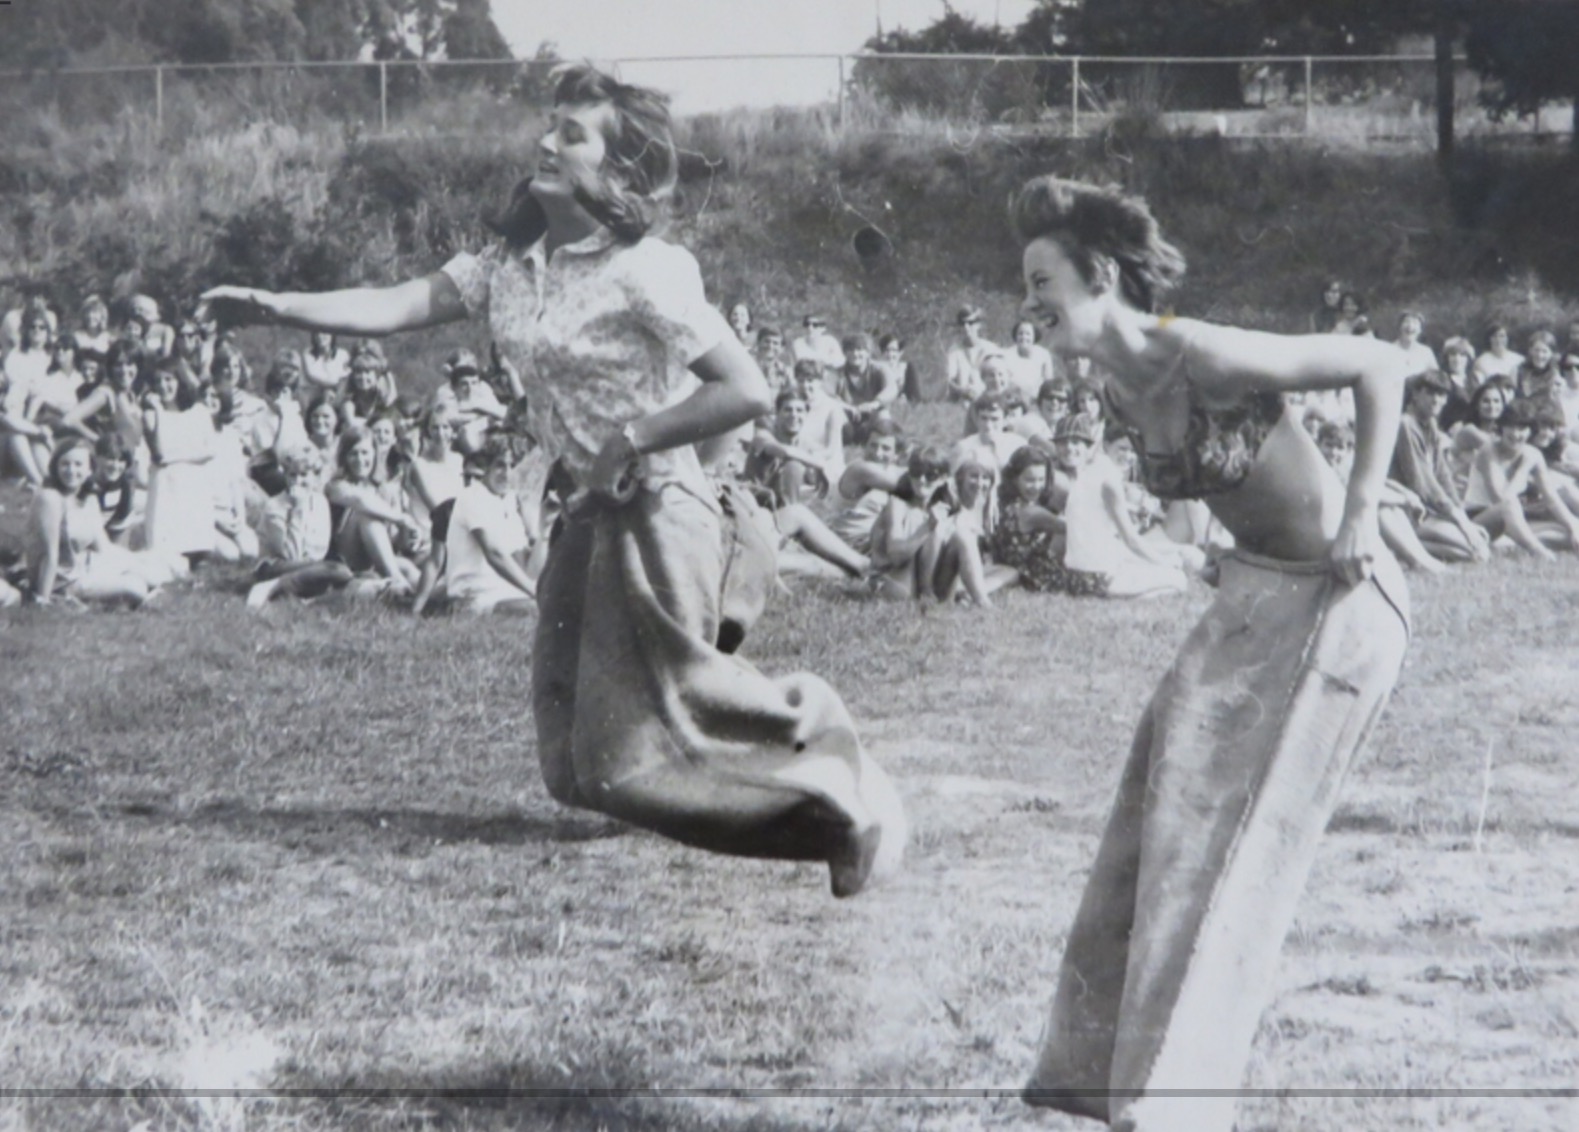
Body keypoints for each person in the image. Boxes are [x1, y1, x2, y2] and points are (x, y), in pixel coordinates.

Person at [202, 61, 904, 898]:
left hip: (656, 508)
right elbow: (394, 304)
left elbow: (745, 391)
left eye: (571, 133)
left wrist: (630, 440)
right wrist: (276, 304)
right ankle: (829, 802)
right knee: (573, 765)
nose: (544, 139)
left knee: (659, 733)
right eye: (549, 123)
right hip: (588, 515)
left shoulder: (646, 267)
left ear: (616, 170)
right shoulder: (510, 263)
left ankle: (827, 759)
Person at [1011, 177, 1412, 1132]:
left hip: (1338, 600)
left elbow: (1377, 364)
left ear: (1099, 274)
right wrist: (1198, 547)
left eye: (1040, 282)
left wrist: (1361, 509)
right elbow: (1199, 495)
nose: (1027, 306)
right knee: (1152, 815)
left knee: (1226, 851)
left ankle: (1172, 1105)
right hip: (1254, 595)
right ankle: (1097, 1077)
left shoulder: (1199, 349)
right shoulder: (1112, 386)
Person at [1053, 411, 1192, 598]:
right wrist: (1163, 563)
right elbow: (1130, 540)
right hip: (1095, 578)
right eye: (1122, 449)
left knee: (1163, 560)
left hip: (1075, 576)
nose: (1128, 456)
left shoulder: (1089, 472)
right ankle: (1126, 598)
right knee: (1178, 579)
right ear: (1105, 445)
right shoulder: (1109, 480)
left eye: (1133, 451)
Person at [25, 438, 159, 607]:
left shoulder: (88, 499)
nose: (71, 470)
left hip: (85, 567)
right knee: (136, 586)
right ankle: (70, 599)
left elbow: (103, 547)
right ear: (55, 467)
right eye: (65, 464)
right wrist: (42, 599)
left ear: (89, 469)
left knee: (152, 571)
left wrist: (137, 563)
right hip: (62, 582)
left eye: (78, 464)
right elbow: (49, 554)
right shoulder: (50, 498)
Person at [1389, 370, 1493, 565]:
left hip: (1430, 509)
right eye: (1430, 393)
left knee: (1477, 551)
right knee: (1471, 551)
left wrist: (1462, 517)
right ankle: (1398, 544)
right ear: (1416, 394)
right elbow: (1422, 482)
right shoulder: (1406, 424)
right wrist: (1461, 522)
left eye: (1442, 395)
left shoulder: (1431, 424)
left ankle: (1405, 547)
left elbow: (1442, 473)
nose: (1436, 400)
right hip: (1408, 510)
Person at [1463, 397, 1579, 559]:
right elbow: (1502, 500)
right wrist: (1523, 469)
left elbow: (1551, 499)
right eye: (1511, 426)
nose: (1516, 434)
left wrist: (1573, 526)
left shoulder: (1532, 453)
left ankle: (1510, 542)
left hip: (1514, 520)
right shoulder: (1489, 451)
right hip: (1481, 518)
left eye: (1522, 428)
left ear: (1531, 430)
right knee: (1510, 507)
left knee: (1566, 531)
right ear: (1501, 428)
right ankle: (1538, 551)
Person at [245, 445, 357, 608]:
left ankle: (291, 591)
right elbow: (289, 554)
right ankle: (270, 585)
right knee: (338, 571)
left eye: (304, 475)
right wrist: (297, 509)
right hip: (274, 566)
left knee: (341, 573)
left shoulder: (319, 502)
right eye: (292, 475)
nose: (298, 481)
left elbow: (320, 548)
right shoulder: (275, 505)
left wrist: (313, 564)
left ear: (315, 476)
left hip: (310, 565)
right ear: (285, 476)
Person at [442, 435, 538, 613]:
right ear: (486, 467)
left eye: (513, 466)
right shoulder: (471, 496)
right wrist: (535, 591)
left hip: (504, 591)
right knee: (545, 610)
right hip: (473, 596)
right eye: (500, 465)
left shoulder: (508, 501)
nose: (507, 474)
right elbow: (494, 554)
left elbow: (522, 559)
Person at [141, 368, 215, 567]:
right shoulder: (151, 415)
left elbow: (209, 450)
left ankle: (196, 552)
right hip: (166, 483)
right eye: (157, 381)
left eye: (168, 379)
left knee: (188, 477)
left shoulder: (199, 411)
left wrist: (176, 458)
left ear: (180, 381)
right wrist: (157, 409)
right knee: (166, 474)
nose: (163, 386)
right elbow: (160, 453)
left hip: (192, 480)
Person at [826, 419, 903, 554]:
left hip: (869, 545)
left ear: (896, 455)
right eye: (873, 445)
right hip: (842, 545)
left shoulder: (892, 470)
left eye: (886, 448)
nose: (878, 453)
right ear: (864, 446)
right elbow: (909, 484)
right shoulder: (859, 469)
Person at [429, 347, 506, 453]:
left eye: (470, 365)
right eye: (462, 367)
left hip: (488, 432)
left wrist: (478, 406)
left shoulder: (482, 386)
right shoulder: (445, 391)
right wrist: (485, 417)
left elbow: (501, 411)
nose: (466, 370)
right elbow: (449, 418)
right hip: (460, 441)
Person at [833, 332, 897, 443]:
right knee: (835, 416)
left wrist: (874, 403)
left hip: (873, 415)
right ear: (844, 352)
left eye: (860, 349)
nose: (855, 353)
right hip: (848, 418)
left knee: (884, 416)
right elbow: (827, 395)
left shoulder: (880, 369)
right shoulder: (837, 373)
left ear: (868, 352)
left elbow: (891, 388)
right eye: (850, 350)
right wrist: (848, 408)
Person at [944, 305, 996, 401]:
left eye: (970, 323)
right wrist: (962, 391)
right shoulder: (954, 351)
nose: (966, 327)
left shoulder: (991, 348)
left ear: (978, 325)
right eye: (962, 324)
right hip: (963, 398)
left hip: (989, 396)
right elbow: (949, 381)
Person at [1001, 318, 1056, 400]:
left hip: (1036, 398)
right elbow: (1003, 382)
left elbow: (1048, 382)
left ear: (1034, 336)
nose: (1024, 337)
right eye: (1020, 333)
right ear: (1015, 336)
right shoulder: (1006, 355)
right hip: (1013, 398)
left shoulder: (1043, 354)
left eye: (1028, 334)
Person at [791, 313, 844, 386]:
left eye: (815, 325)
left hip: (828, 380)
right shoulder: (798, 343)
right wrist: (824, 363)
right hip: (806, 382)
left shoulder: (830, 341)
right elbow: (802, 365)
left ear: (823, 328)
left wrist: (817, 364)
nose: (810, 328)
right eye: (807, 324)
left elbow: (839, 362)